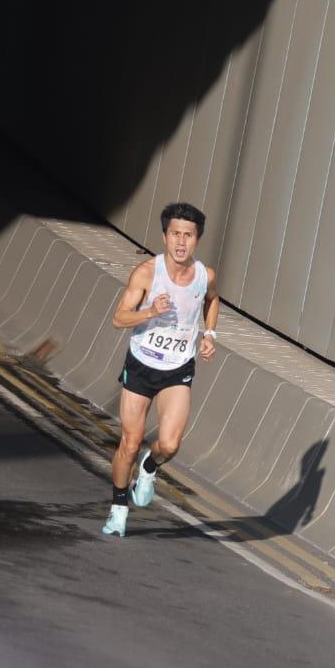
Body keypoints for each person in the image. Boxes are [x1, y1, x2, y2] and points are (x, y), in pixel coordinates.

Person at [101, 202, 219, 538]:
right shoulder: (147, 274)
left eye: (189, 235)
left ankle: (150, 467)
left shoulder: (203, 276)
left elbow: (213, 300)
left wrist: (209, 334)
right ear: (165, 236)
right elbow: (118, 318)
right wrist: (150, 310)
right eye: (176, 234)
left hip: (177, 368)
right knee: (130, 441)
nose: (182, 242)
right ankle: (119, 507)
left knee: (168, 444)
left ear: (197, 240)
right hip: (141, 364)